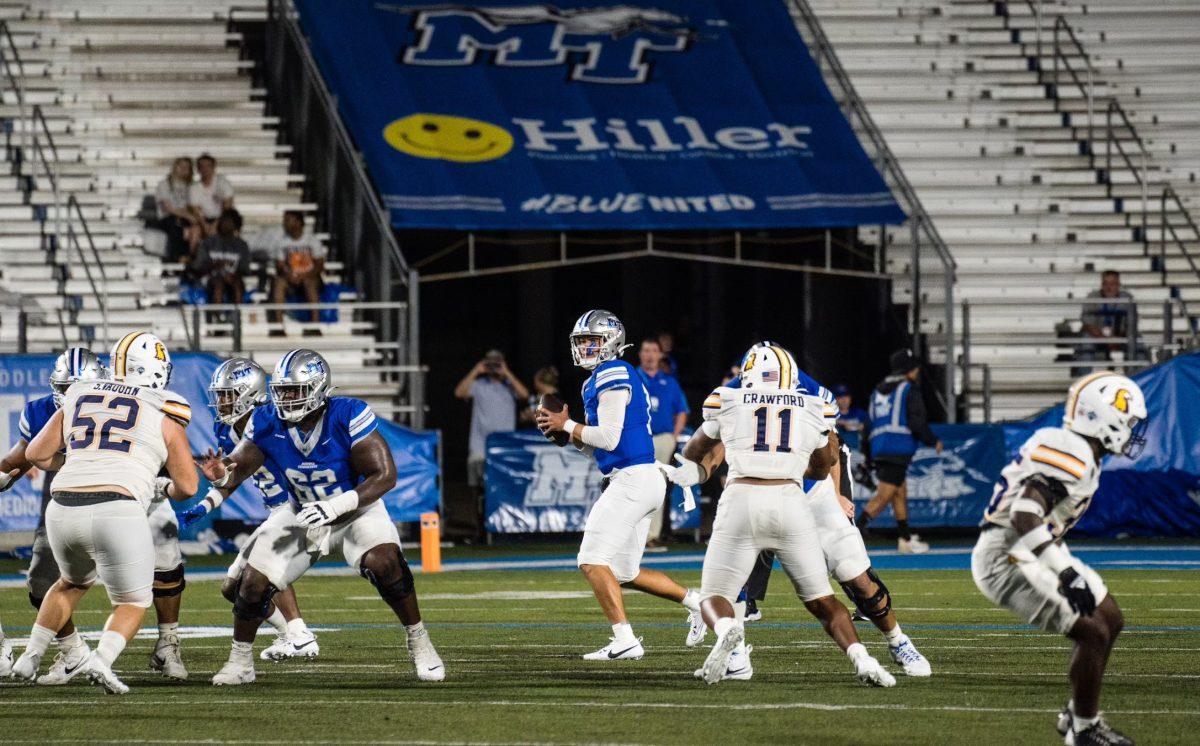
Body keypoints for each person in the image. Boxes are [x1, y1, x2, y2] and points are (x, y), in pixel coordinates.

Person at [673, 342, 929, 682]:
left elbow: (830, 448)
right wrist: (708, 471)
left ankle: (898, 640)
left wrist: (837, 494)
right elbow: (723, 450)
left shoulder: (749, 394)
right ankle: (737, 658)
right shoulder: (768, 394)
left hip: (812, 495)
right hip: (787, 493)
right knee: (761, 586)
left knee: (858, 578)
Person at [199, 349, 444, 685]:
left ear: (317, 388)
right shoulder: (268, 421)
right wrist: (222, 474)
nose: (285, 399)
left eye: (293, 391)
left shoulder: (347, 414)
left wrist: (337, 506)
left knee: (386, 564)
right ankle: (240, 662)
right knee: (251, 583)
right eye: (281, 391)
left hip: (355, 511)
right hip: (301, 512)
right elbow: (240, 464)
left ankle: (419, 640)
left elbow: (384, 475)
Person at [10, 332, 199, 694]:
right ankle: (102, 660)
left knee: (69, 583)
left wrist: (77, 461)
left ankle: (30, 656)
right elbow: (188, 487)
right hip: (118, 508)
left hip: (61, 506)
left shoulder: (80, 393)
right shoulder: (167, 407)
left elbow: (35, 454)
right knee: (131, 601)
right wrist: (161, 487)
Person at [973, 372, 1146, 746]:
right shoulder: (1072, 451)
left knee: (1110, 618)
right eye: (1129, 422)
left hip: (1031, 546)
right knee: (1093, 632)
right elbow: (1023, 515)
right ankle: (1084, 729)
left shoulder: (1079, 449)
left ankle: (1076, 713)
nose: (1133, 432)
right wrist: (1066, 573)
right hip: (1007, 556)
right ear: (1105, 418)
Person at [536, 310, 705, 660]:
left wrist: (567, 425)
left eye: (591, 341)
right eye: (581, 341)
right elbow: (601, 447)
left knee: (591, 559)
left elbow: (609, 438)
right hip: (638, 477)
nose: (584, 347)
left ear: (611, 341)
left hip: (633, 479)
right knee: (625, 571)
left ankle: (625, 638)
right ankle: (697, 603)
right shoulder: (597, 378)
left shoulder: (612, 371)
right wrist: (569, 436)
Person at [182, 358, 319, 661]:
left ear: (249, 392)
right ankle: (292, 635)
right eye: (220, 395)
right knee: (231, 588)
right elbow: (231, 479)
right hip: (277, 509)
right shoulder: (225, 428)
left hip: (297, 507)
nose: (222, 402)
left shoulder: (275, 420)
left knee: (264, 567)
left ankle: (297, 633)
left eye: (228, 395)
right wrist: (203, 506)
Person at [0, 348, 105, 683]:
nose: (67, 396)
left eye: (75, 389)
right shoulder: (44, 410)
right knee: (41, 585)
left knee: (143, 585)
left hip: (113, 502)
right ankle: (74, 651)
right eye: (63, 388)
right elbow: (18, 459)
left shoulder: (116, 410)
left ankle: (166, 641)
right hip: (61, 502)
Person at [857, 349, 942, 554]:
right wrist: (932, 440)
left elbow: (868, 426)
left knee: (899, 492)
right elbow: (916, 420)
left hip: (880, 447)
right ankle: (851, 533)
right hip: (898, 447)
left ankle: (905, 538)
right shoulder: (908, 388)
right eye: (915, 367)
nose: (917, 371)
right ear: (909, 369)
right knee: (884, 495)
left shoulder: (877, 391)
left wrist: (869, 456)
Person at [635, 337, 689, 550]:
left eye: (653, 351)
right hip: (638, 439)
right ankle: (635, 534)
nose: (649, 355)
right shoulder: (633, 377)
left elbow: (682, 410)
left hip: (662, 439)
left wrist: (674, 436)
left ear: (660, 355)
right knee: (634, 485)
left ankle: (651, 535)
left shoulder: (669, 382)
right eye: (646, 350)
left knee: (656, 487)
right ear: (640, 354)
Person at [454, 350, 529, 498]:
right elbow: (459, 392)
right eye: (491, 363)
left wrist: (506, 373)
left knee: (504, 485)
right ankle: (481, 516)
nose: (494, 366)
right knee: (478, 488)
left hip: (504, 447)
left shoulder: (509, 385)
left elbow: (524, 395)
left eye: (497, 363)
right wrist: (476, 370)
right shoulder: (478, 385)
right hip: (479, 446)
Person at [262, 211, 327, 329]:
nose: (284, 223)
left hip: (309, 276)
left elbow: (319, 265)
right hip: (290, 276)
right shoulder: (282, 242)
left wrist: (304, 275)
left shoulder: (312, 240)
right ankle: (279, 325)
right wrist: (289, 274)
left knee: (310, 283)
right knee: (278, 283)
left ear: (298, 222)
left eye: (287, 220)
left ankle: (315, 324)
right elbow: (279, 264)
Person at [191, 208, 250, 307]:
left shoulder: (242, 246)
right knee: (218, 284)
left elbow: (245, 269)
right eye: (223, 221)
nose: (224, 224)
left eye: (229, 222)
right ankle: (216, 317)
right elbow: (197, 266)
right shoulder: (208, 243)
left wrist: (233, 275)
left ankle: (238, 316)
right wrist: (215, 265)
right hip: (210, 280)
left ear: (235, 225)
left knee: (237, 285)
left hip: (233, 280)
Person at [1079, 270, 1135, 364]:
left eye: (1112, 284)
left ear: (1118, 285)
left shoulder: (1127, 298)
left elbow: (1131, 324)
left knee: (1135, 340)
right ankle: (1083, 376)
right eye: (1106, 284)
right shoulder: (1092, 297)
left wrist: (1118, 339)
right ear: (1101, 284)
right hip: (1097, 337)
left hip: (1120, 337)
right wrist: (1106, 340)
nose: (1109, 288)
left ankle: (1135, 374)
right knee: (1086, 340)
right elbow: (1088, 325)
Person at [150, 157, 198, 261]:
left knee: (195, 231)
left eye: (187, 167)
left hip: (185, 218)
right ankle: (175, 259)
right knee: (180, 229)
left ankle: (190, 259)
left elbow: (192, 206)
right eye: (181, 166)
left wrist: (189, 215)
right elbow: (168, 208)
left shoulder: (191, 186)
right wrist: (187, 215)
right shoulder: (164, 184)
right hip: (167, 218)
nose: (183, 169)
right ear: (175, 167)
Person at [188, 153, 234, 238]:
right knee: (194, 233)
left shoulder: (223, 183)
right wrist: (205, 225)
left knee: (224, 229)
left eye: (208, 166)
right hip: (203, 220)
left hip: (222, 218)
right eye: (201, 166)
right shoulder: (194, 187)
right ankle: (194, 251)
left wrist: (215, 225)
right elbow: (196, 210)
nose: (205, 169)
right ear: (198, 169)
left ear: (214, 168)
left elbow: (227, 208)